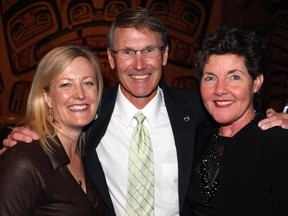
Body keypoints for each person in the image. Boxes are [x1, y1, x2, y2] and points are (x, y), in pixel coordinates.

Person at [2, 8, 288, 216]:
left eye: (149, 50)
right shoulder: (88, 114)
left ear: (164, 55)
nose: (139, 64)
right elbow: (52, 134)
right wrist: (23, 137)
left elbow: (239, 122)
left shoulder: (197, 112)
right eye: (127, 52)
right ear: (111, 59)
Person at [186, 26, 288, 215]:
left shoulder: (276, 142)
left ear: (256, 83)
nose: (220, 89)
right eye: (210, 78)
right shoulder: (197, 138)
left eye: (234, 77)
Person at [0, 45, 106, 215]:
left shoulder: (92, 154)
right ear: (47, 98)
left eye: (87, 83)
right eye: (65, 85)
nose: (80, 94)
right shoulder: (24, 161)